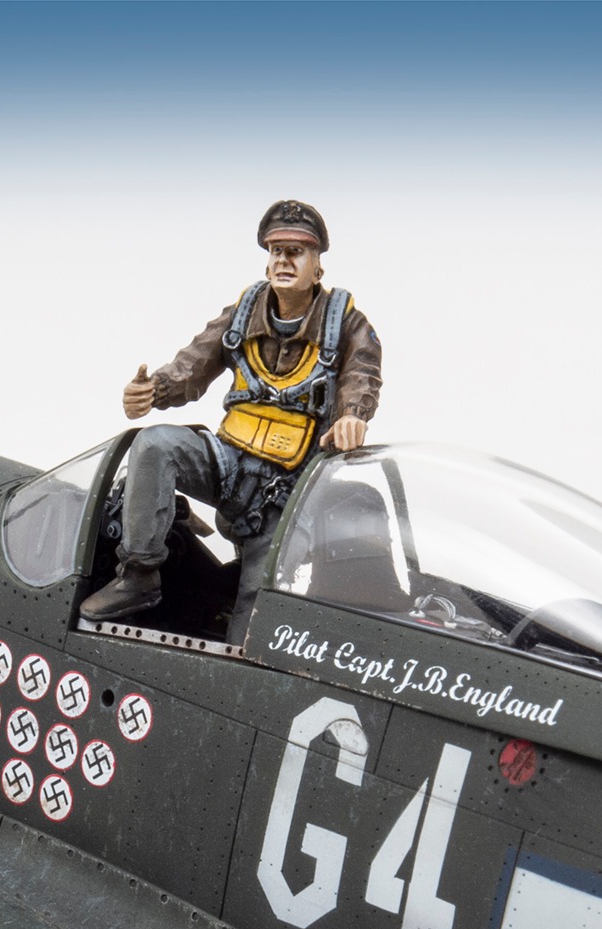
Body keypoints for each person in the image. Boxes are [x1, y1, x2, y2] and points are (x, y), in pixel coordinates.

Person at [79, 199, 382, 638]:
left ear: (318, 266)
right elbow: (192, 365)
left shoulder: (347, 324)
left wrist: (352, 416)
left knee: (250, 630)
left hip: (284, 492)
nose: (283, 261)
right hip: (229, 461)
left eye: (296, 252)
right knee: (156, 444)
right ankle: (139, 574)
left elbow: (363, 374)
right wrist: (154, 390)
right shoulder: (243, 312)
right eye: (276, 251)